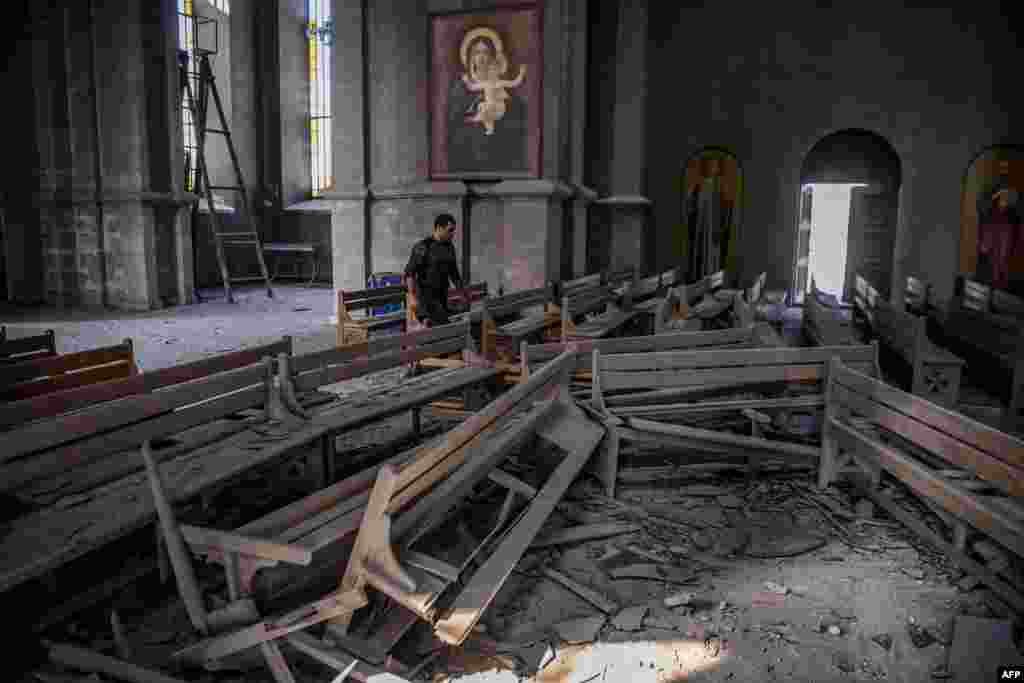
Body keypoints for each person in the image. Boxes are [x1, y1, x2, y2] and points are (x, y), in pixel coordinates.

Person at [446, 29, 528, 174]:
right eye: (477, 52)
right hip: (468, 146)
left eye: (485, 52)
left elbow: (517, 110)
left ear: (492, 57)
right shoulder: (461, 85)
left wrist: (506, 105)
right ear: (471, 57)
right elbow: (453, 118)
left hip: (497, 147)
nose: (481, 56)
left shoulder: (498, 81)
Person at [404, 213, 465, 327]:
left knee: (445, 327)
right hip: (426, 298)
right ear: (439, 228)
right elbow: (410, 273)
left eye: (453, 230)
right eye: (450, 230)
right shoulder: (423, 246)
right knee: (443, 328)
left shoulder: (449, 247)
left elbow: (454, 273)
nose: (452, 234)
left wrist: (462, 293)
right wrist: (412, 297)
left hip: (442, 296)